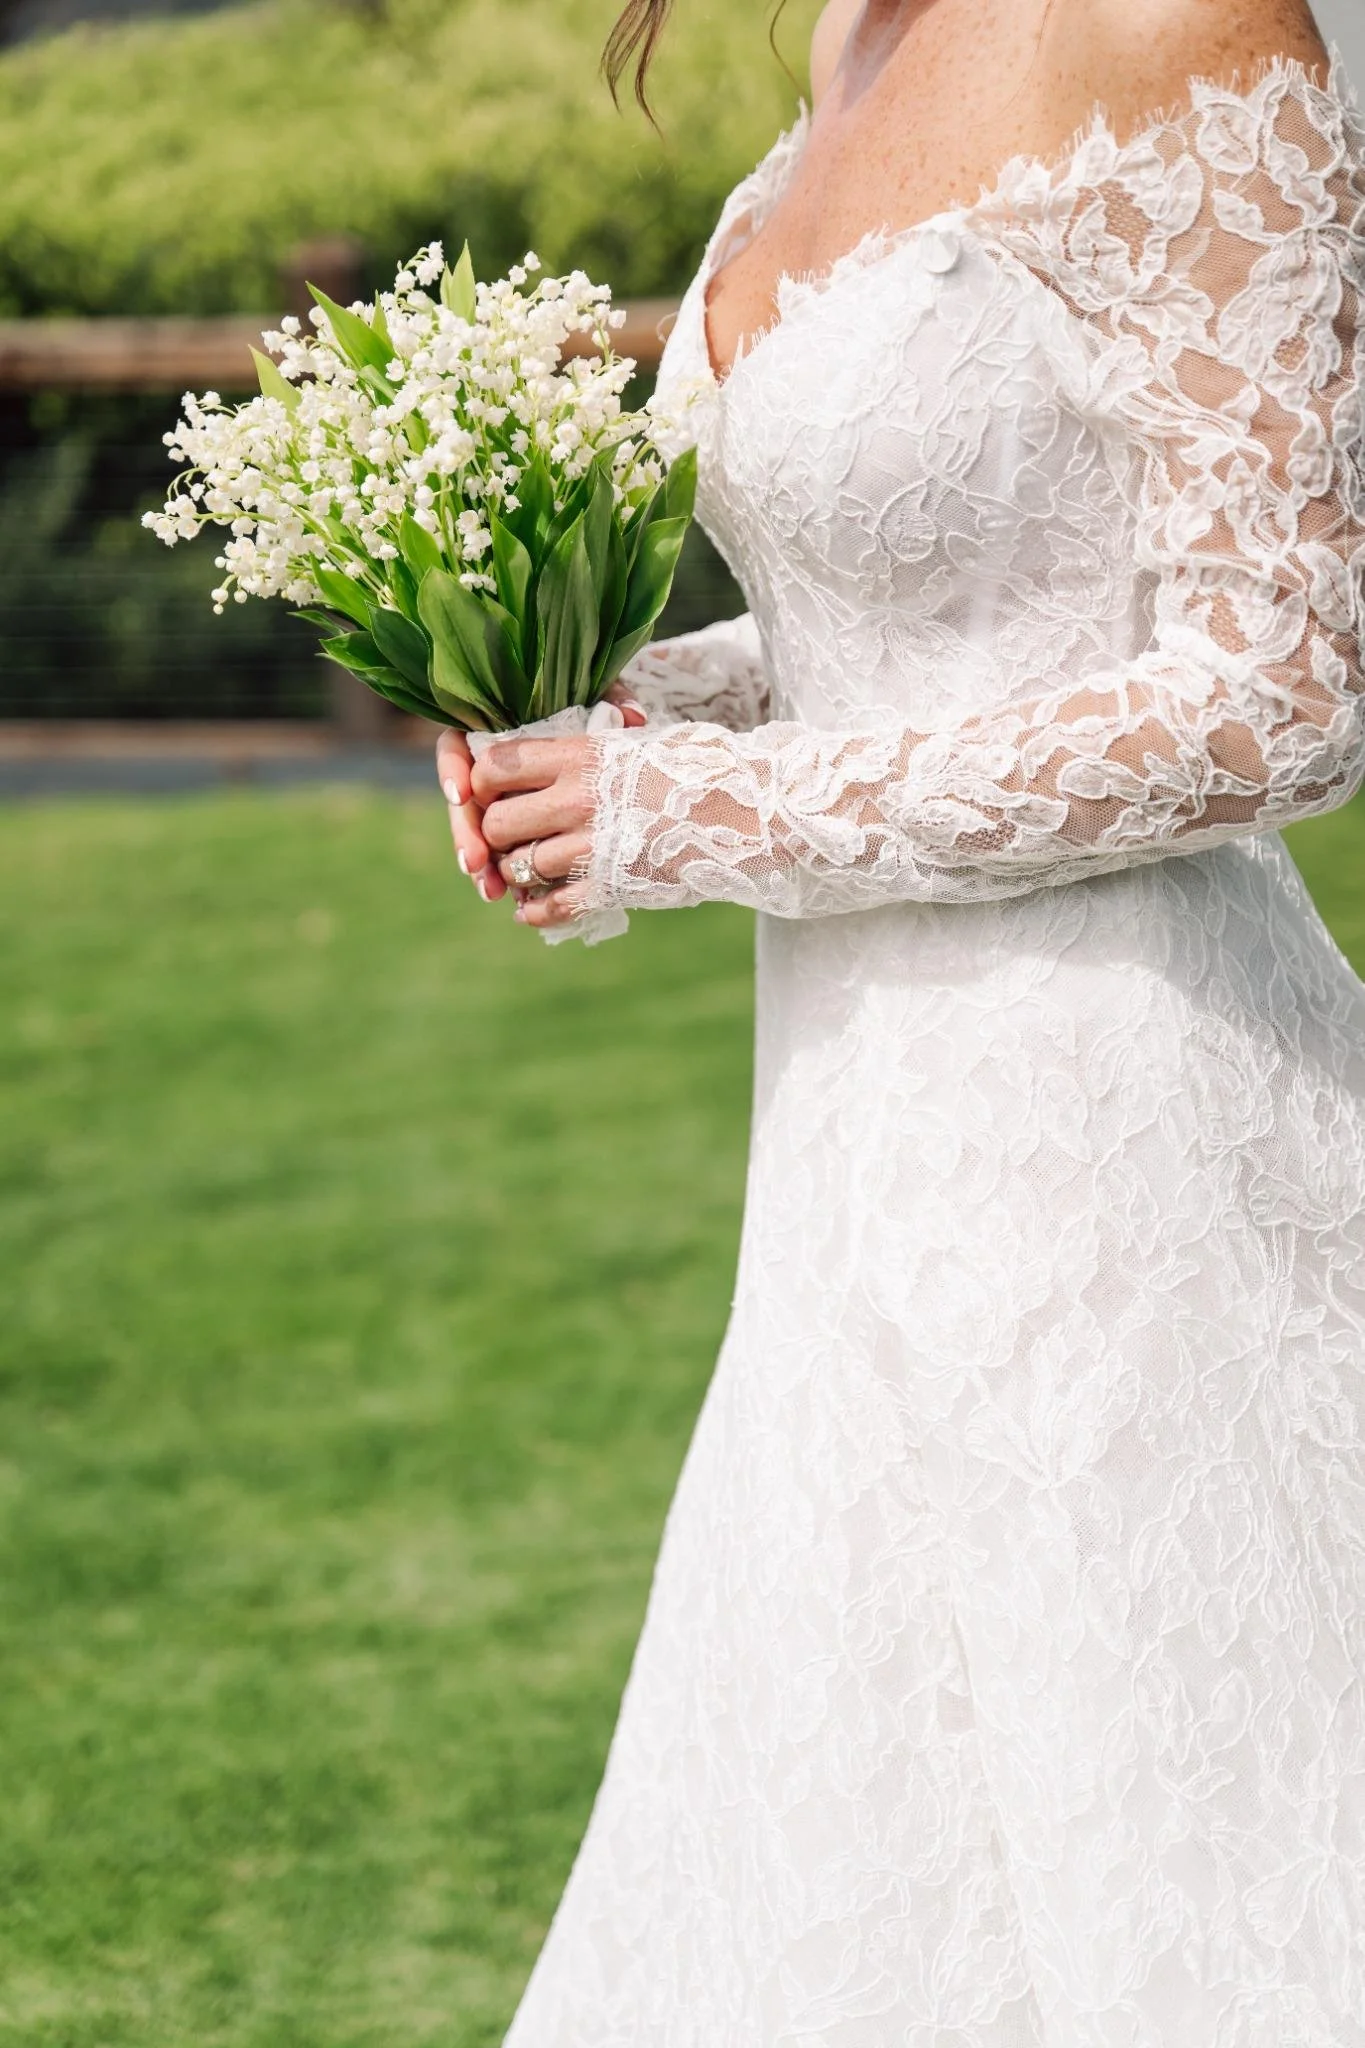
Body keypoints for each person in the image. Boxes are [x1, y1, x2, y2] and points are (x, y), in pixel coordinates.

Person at [438, 0, 1365, 2038]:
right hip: (851, 1150)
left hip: (1126, 1153)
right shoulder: (844, 53)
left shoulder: (1179, 25)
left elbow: (1278, 686)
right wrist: (615, 728)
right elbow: (921, 623)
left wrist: (698, 815)